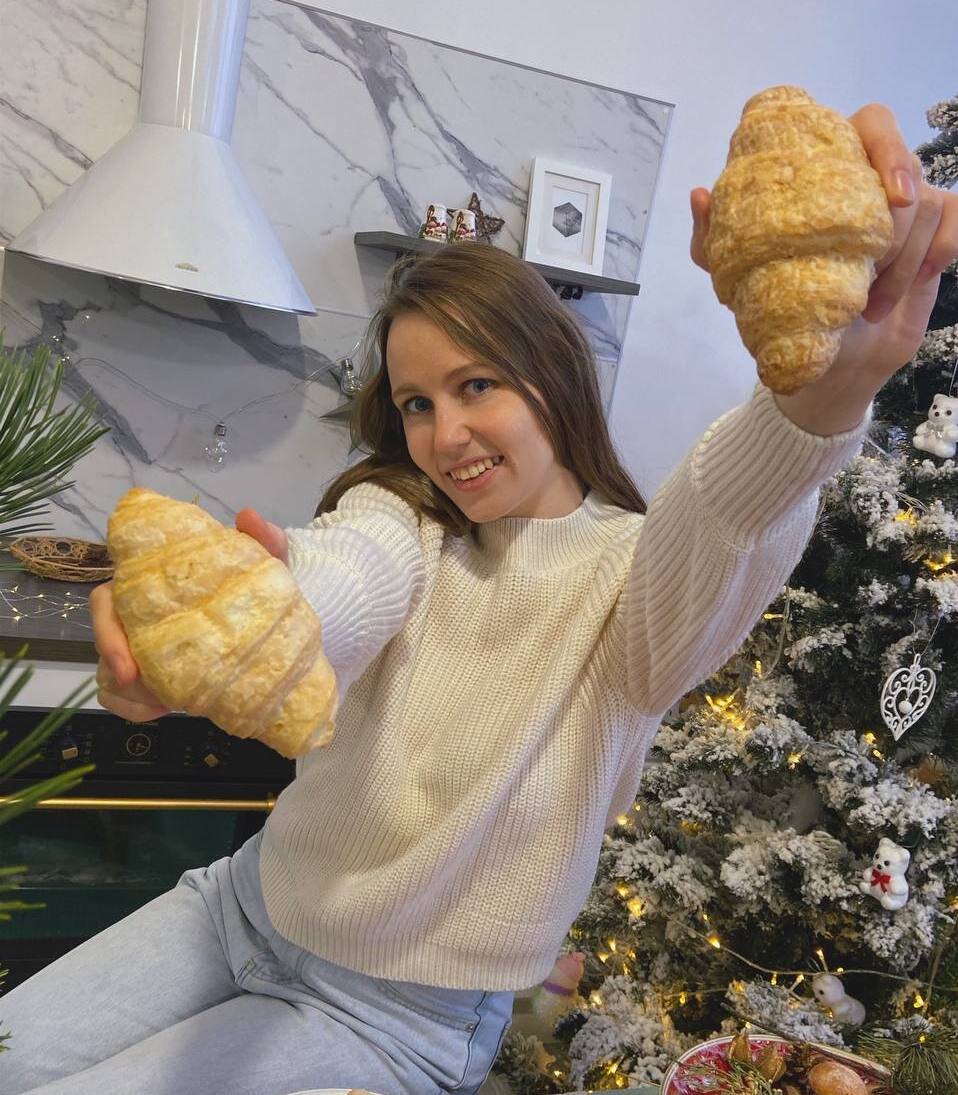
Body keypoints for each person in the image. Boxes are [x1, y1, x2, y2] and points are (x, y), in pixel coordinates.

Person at [3, 102, 955, 1095]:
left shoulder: (631, 589)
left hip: (393, 1017)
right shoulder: (404, 515)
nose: (444, 435)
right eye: (416, 403)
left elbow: (723, 515)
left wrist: (823, 395)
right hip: (235, 908)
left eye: (476, 386)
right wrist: (255, 621)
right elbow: (345, 576)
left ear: (552, 374)